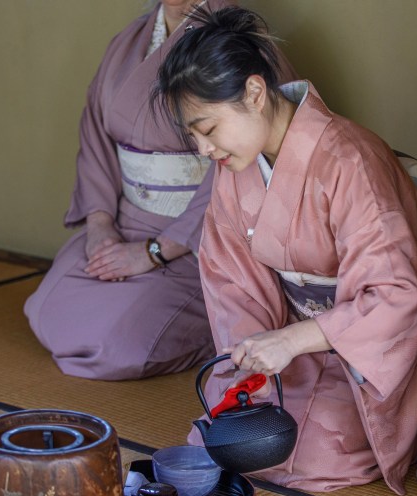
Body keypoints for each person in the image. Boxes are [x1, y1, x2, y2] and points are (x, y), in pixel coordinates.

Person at [154, 5, 417, 494]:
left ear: (253, 93)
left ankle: (411, 420)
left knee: (315, 451)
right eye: (193, 136)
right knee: (226, 425)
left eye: (207, 130)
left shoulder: (349, 160)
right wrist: (254, 356)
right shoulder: (236, 169)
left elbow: (396, 295)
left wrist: (294, 342)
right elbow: (230, 280)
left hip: (373, 348)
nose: (203, 150)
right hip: (291, 339)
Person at [24, 1, 297, 381]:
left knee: (116, 343)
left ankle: (219, 328)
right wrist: (100, 222)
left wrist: (158, 250)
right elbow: (96, 135)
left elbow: (247, 157)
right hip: (126, 221)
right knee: (44, 310)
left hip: (201, 240)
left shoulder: (237, 42)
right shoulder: (128, 42)